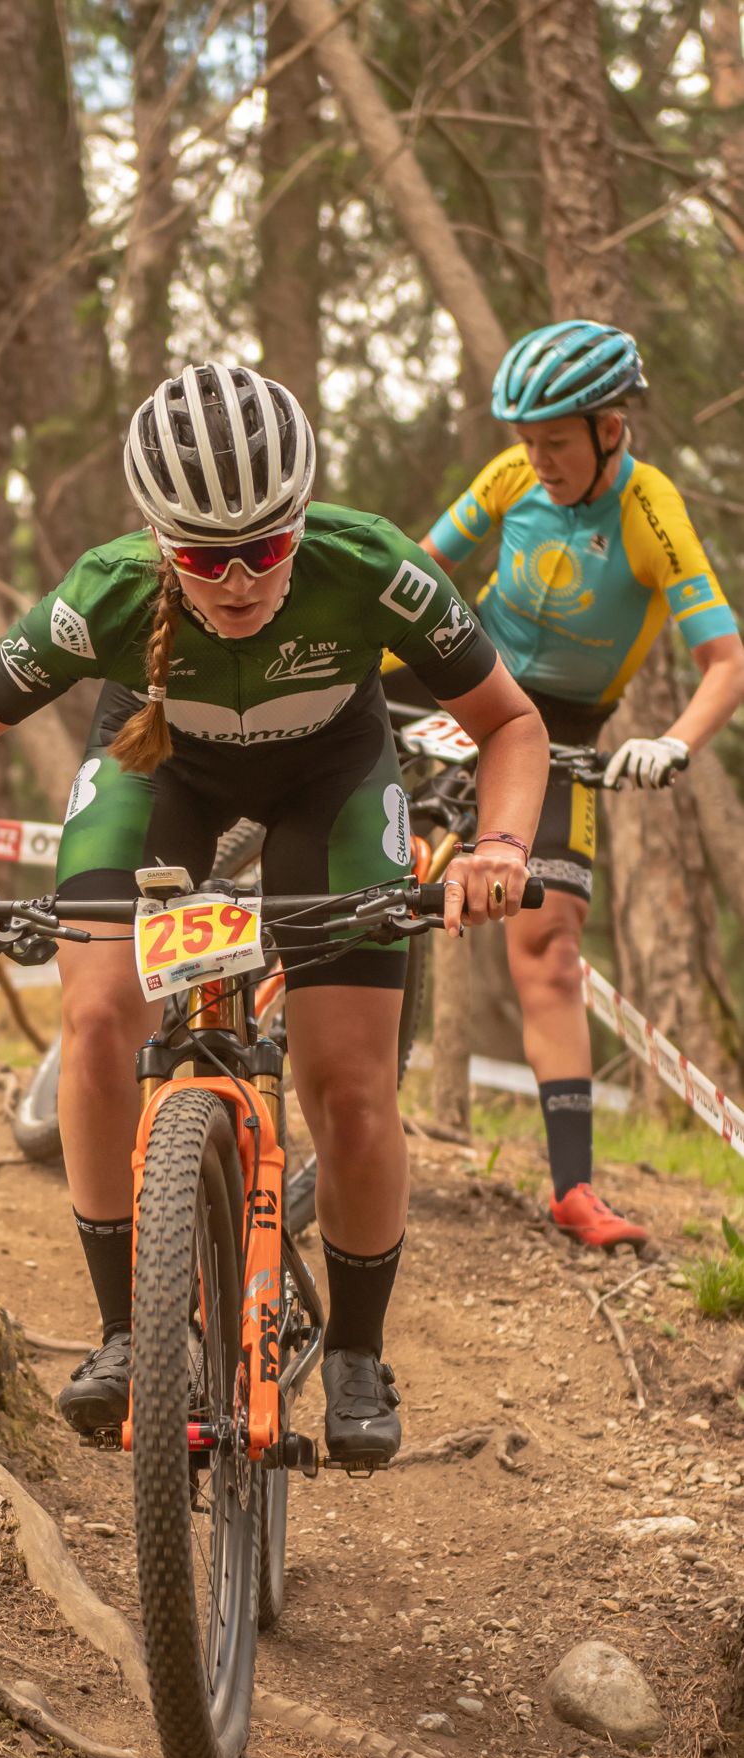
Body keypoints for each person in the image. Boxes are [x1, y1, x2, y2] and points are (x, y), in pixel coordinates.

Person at [0, 363, 547, 1463]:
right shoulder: (107, 590)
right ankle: (125, 1333)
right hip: (159, 775)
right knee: (97, 1020)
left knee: (349, 1083)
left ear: (303, 519)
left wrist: (500, 848)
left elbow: (510, 724)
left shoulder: (370, 564)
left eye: (266, 546)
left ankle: (356, 1354)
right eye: (204, 557)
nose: (239, 579)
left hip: (331, 787)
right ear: (161, 543)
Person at [419, 320, 744, 1250]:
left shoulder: (649, 510)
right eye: (526, 441)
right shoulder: (510, 476)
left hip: (563, 729)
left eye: (554, 441)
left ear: (609, 428)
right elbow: (421, 569)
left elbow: (724, 661)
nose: (537, 460)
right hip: (465, 679)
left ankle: (572, 1190)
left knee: (549, 949)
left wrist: (671, 744)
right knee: (380, 862)